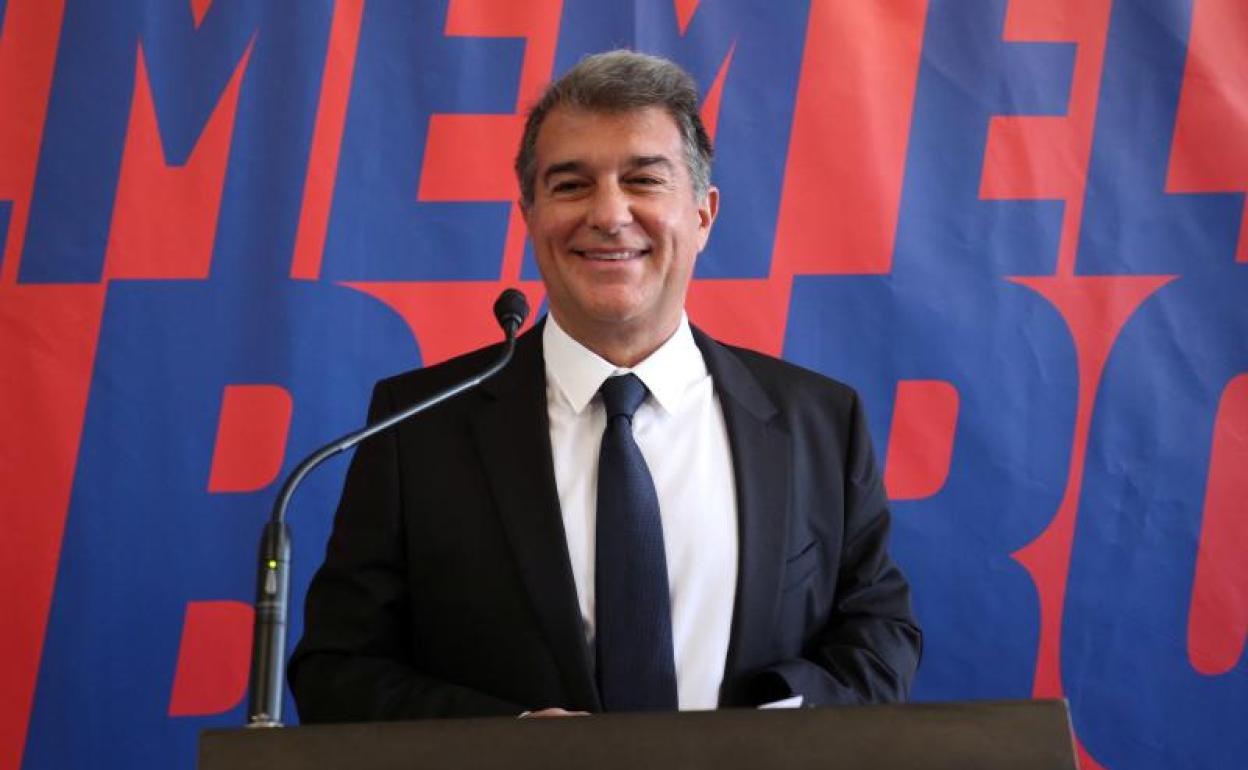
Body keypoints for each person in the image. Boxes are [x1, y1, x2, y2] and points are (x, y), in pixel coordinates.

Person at [289, 49, 920, 721]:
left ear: (703, 215)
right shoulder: (415, 426)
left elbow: (878, 634)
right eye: (571, 185)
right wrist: (502, 743)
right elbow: (338, 669)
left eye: (643, 180)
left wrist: (770, 730)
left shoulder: (819, 421)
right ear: (530, 216)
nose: (609, 214)